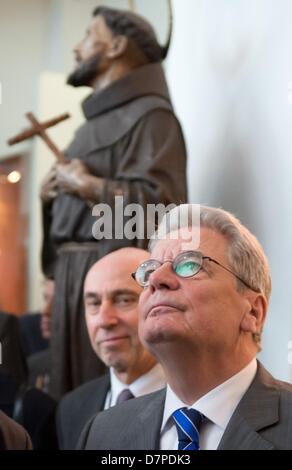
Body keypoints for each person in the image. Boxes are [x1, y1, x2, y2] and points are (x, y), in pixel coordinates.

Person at [40, 6, 187, 399]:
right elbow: (68, 221)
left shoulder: (153, 118)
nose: (76, 47)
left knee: (110, 400)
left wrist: (87, 186)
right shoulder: (88, 128)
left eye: (88, 35)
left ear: (118, 46)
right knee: (71, 402)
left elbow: (162, 210)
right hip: (72, 280)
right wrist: (48, 200)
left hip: (116, 282)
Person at [78, 205, 292, 450]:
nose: (157, 279)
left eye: (189, 265)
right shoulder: (102, 432)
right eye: (149, 271)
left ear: (253, 311)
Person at [57, 248, 165, 449]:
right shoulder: (72, 408)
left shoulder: (192, 406)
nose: (104, 320)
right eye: (94, 303)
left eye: (124, 300)